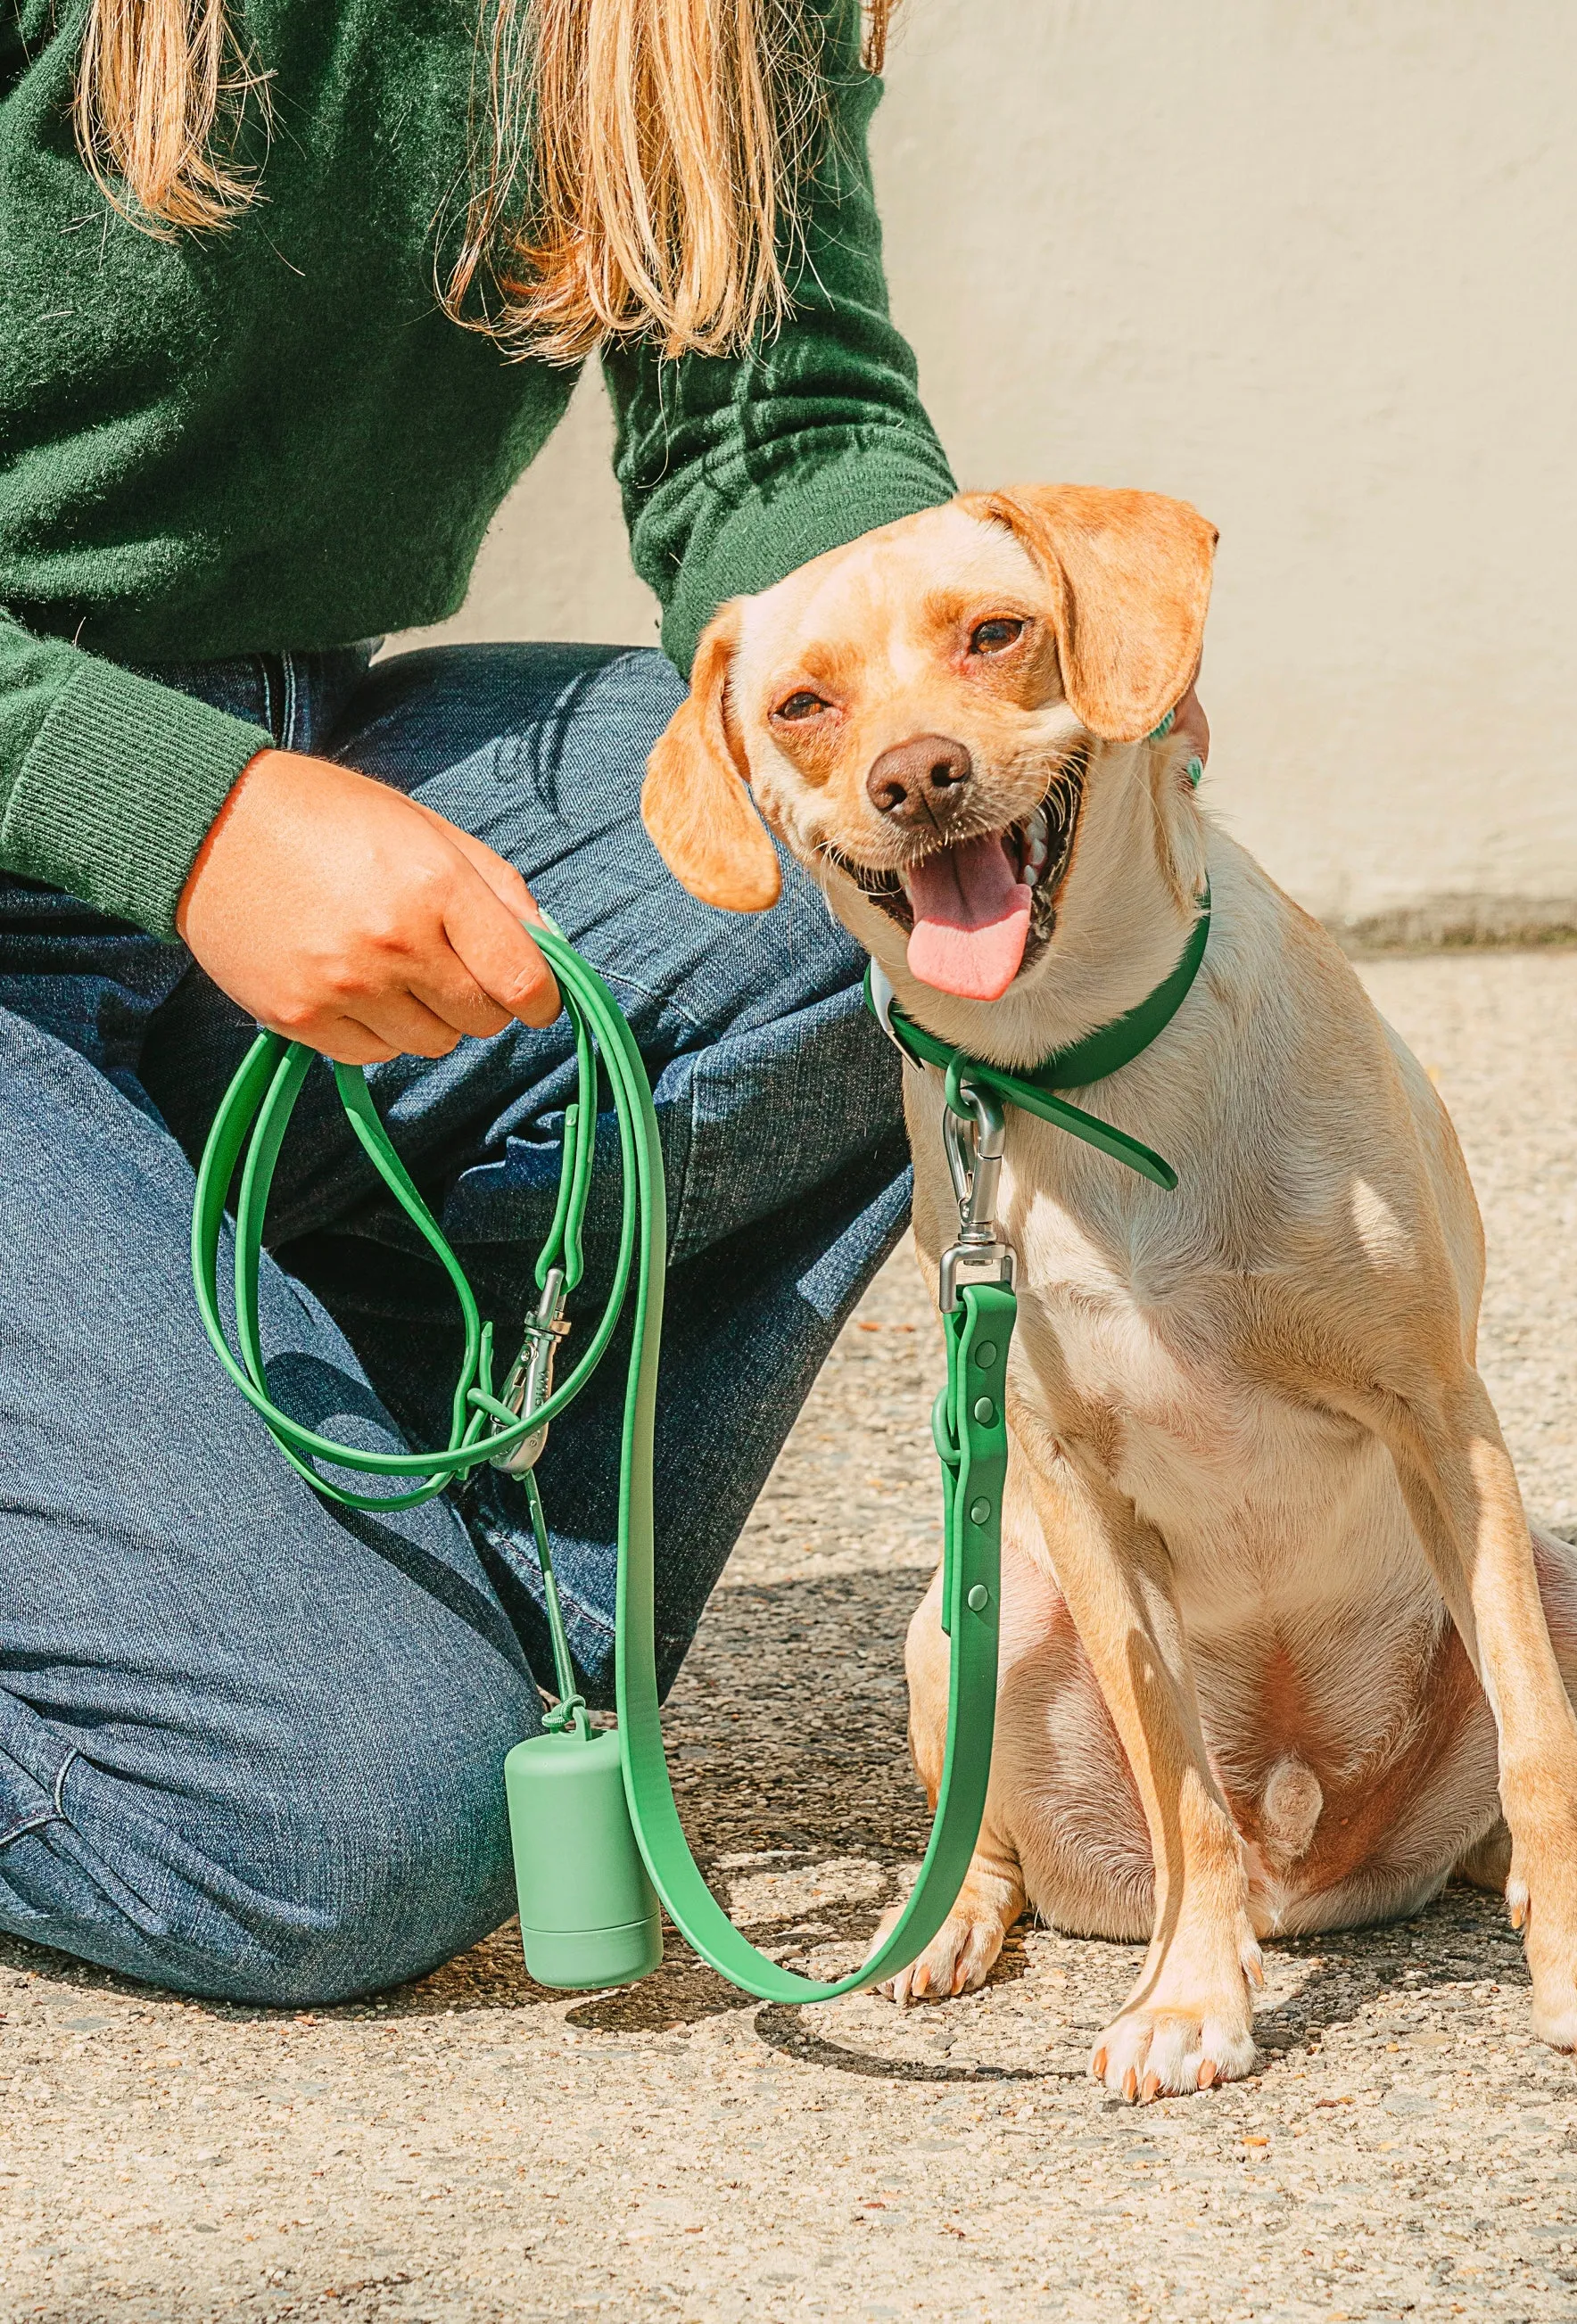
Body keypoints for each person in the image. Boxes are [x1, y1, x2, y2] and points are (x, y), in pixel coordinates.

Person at [0, 0, 954, 2006]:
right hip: (148, 801)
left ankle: (283, 1484)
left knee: (918, 909)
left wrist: (971, 685)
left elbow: (772, 434)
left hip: (261, 768)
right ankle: (293, 1624)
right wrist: (169, 812)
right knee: (340, 1823)